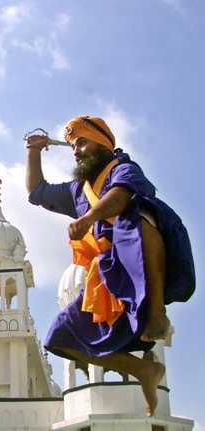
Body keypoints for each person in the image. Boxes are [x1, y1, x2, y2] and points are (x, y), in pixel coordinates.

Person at [25, 115, 195, 416]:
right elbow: (37, 192)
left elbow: (120, 197)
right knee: (60, 338)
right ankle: (143, 370)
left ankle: (156, 313)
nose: (76, 150)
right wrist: (34, 152)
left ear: (103, 144)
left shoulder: (124, 169)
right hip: (110, 276)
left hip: (149, 262)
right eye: (73, 145)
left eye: (82, 142)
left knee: (138, 218)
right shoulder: (78, 190)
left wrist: (88, 218)